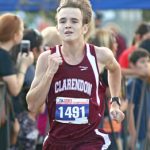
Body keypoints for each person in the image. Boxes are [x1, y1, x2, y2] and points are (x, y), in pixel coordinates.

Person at [26, 0, 124, 149]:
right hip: (57, 141)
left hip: (90, 141)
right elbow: (32, 105)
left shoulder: (99, 55)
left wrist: (115, 102)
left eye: (74, 21)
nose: (68, 25)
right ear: (58, 27)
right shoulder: (46, 59)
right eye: (63, 21)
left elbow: (115, 69)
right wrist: (49, 73)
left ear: (84, 28)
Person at [0, 13, 33, 150]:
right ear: (14, 35)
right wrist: (24, 66)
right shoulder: (4, 56)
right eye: (20, 30)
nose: (22, 33)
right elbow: (15, 89)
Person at [126, 48, 150, 150]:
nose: (146, 64)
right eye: (142, 61)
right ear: (132, 65)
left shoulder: (146, 82)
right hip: (137, 134)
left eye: (148, 61)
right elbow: (129, 109)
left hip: (145, 133)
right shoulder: (134, 83)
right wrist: (133, 134)